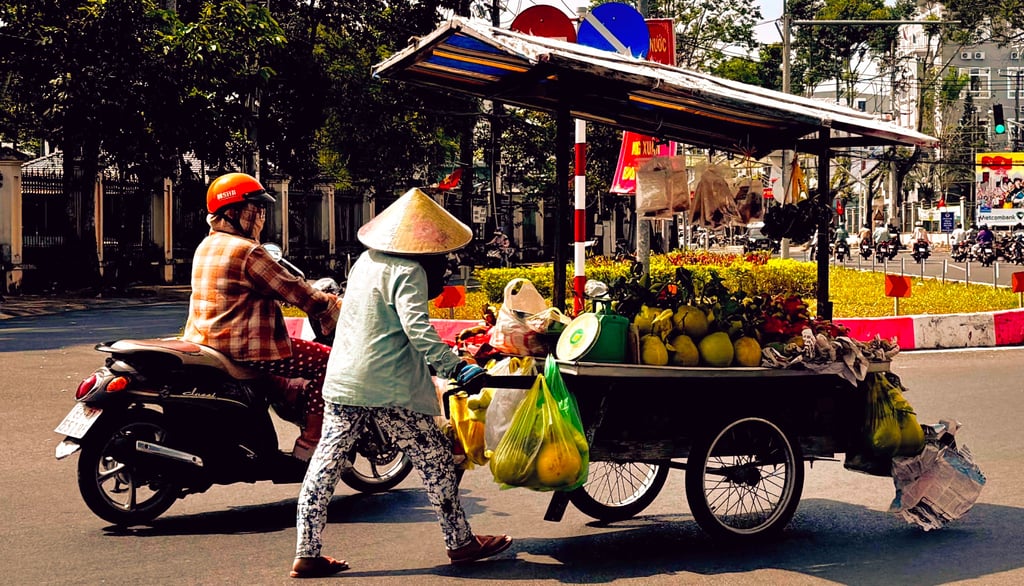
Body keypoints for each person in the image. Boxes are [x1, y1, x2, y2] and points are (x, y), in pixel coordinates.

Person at [291, 187, 511, 578]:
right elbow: (418, 331)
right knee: (437, 460)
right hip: (387, 386)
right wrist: (455, 367)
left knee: (325, 465)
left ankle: (306, 551)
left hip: (344, 380)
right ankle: (460, 542)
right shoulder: (407, 271)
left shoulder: (365, 262)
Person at [181, 172, 341, 462]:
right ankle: (312, 445)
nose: (260, 217)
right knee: (327, 362)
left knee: (282, 363)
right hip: (243, 347)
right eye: (255, 209)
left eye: (262, 210)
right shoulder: (247, 252)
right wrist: (332, 307)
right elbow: (296, 292)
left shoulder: (206, 245)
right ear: (232, 213)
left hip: (208, 341)